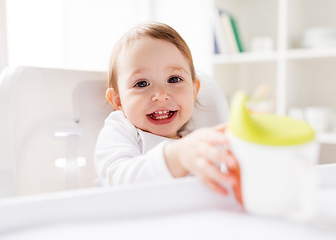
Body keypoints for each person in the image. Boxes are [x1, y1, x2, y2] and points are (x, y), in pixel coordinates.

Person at [94, 22, 242, 204]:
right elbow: (115, 179)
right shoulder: (122, 130)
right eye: (141, 84)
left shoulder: (194, 143)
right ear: (118, 101)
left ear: (194, 91)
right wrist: (175, 158)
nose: (161, 95)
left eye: (174, 79)